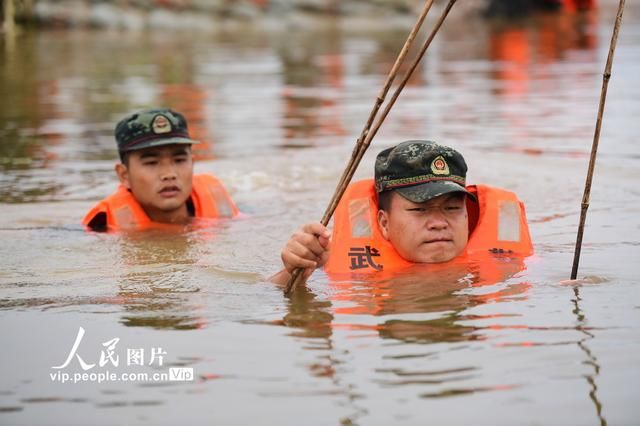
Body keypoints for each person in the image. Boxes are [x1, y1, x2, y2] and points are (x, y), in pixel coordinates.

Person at [271, 140, 533, 285]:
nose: (439, 223)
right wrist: (295, 270)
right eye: (420, 210)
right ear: (384, 223)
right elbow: (264, 300)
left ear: (467, 214)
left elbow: (548, 282)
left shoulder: (510, 262)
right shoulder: (331, 259)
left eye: (452, 208)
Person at [83, 108, 238, 231]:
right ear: (124, 176)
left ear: (192, 164)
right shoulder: (101, 227)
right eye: (151, 163)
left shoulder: (222, 208)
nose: (169, 174)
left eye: (179, 160)